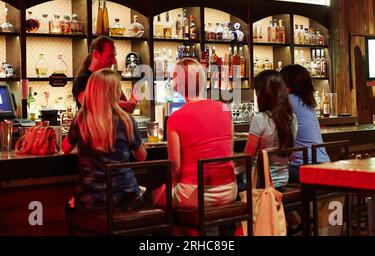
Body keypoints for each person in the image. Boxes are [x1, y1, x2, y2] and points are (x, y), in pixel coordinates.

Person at [153, 58, 237, 214]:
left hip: (196, 193)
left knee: (154, 197)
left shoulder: (176, 118)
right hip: (229, 189)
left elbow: (175, 167)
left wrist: (168, 188)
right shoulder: (225, 109)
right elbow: (228, 152)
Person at [62, 68, 147, 210]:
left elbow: (65, 148)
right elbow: (142, 156)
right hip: (125, 198)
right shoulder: (126, 120)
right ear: (114, 92)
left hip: (89, 199)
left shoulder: (80, 119)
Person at [244, 70, 297, 189]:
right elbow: (292, 155)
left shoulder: (260, 119)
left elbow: (247, 157)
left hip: (259, 183)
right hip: (283, 180)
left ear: (262, 94)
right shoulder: (292, 118)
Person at [280, 64, 330, 182]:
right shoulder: (307, 102)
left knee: (266, 172)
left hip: (306, 168)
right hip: (324, 164)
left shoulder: (287, 100)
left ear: (286, 84)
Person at [73, 35, 137, 113]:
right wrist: (127, 104)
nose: (114, 61)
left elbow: (127, 109)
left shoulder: (110, 80)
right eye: (110, 56)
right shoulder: (82, 80)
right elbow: (91, 103)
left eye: (114, 56)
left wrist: (133, 99)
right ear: (96, 54)